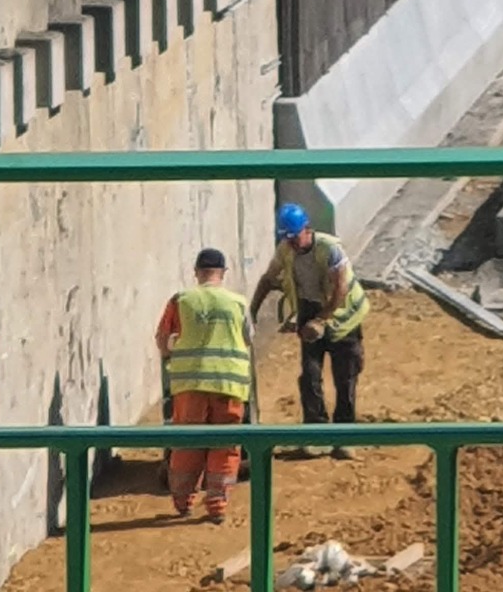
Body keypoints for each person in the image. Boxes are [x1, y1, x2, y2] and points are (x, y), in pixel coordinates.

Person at [251, 204, 369, 458]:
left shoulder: (329, 249)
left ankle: (345, 436)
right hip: (309, 311)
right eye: (287, 238)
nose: (292, 243)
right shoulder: (285, 250)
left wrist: (321, 320)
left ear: (307, 229)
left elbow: (340, 289)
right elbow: (268, 279)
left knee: (345, 378)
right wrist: (252, 311)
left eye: (295, 237)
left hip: (342, 317)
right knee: (310, 377)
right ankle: (317, 435)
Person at [155, 246, 253, 524]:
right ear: (223, 273)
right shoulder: (238, 303)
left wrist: (177, 346)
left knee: (187, 442)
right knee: (225, 444)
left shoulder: (181, 300)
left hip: (190, 385)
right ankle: (217, 505)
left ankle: (182, 502)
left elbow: (162, 340)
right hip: (228, 386)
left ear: (197, 272)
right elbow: (248, 339)